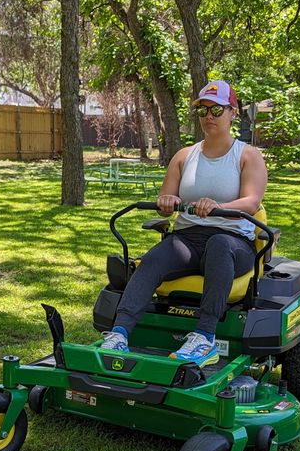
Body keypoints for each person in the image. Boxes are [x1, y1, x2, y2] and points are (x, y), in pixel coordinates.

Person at [100, 80, 268, 366]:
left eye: (216, 110)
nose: (209, 117)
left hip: (233, 242)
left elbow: (251, 202)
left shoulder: (247, 156)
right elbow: (167, 198)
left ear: (233, 112)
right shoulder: (183, 156)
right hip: (189, 239)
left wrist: (219, 207)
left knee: (217, 244)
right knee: (154, 258)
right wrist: (165, 202)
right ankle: (119, 333)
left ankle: (204, 338)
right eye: (202, 111)